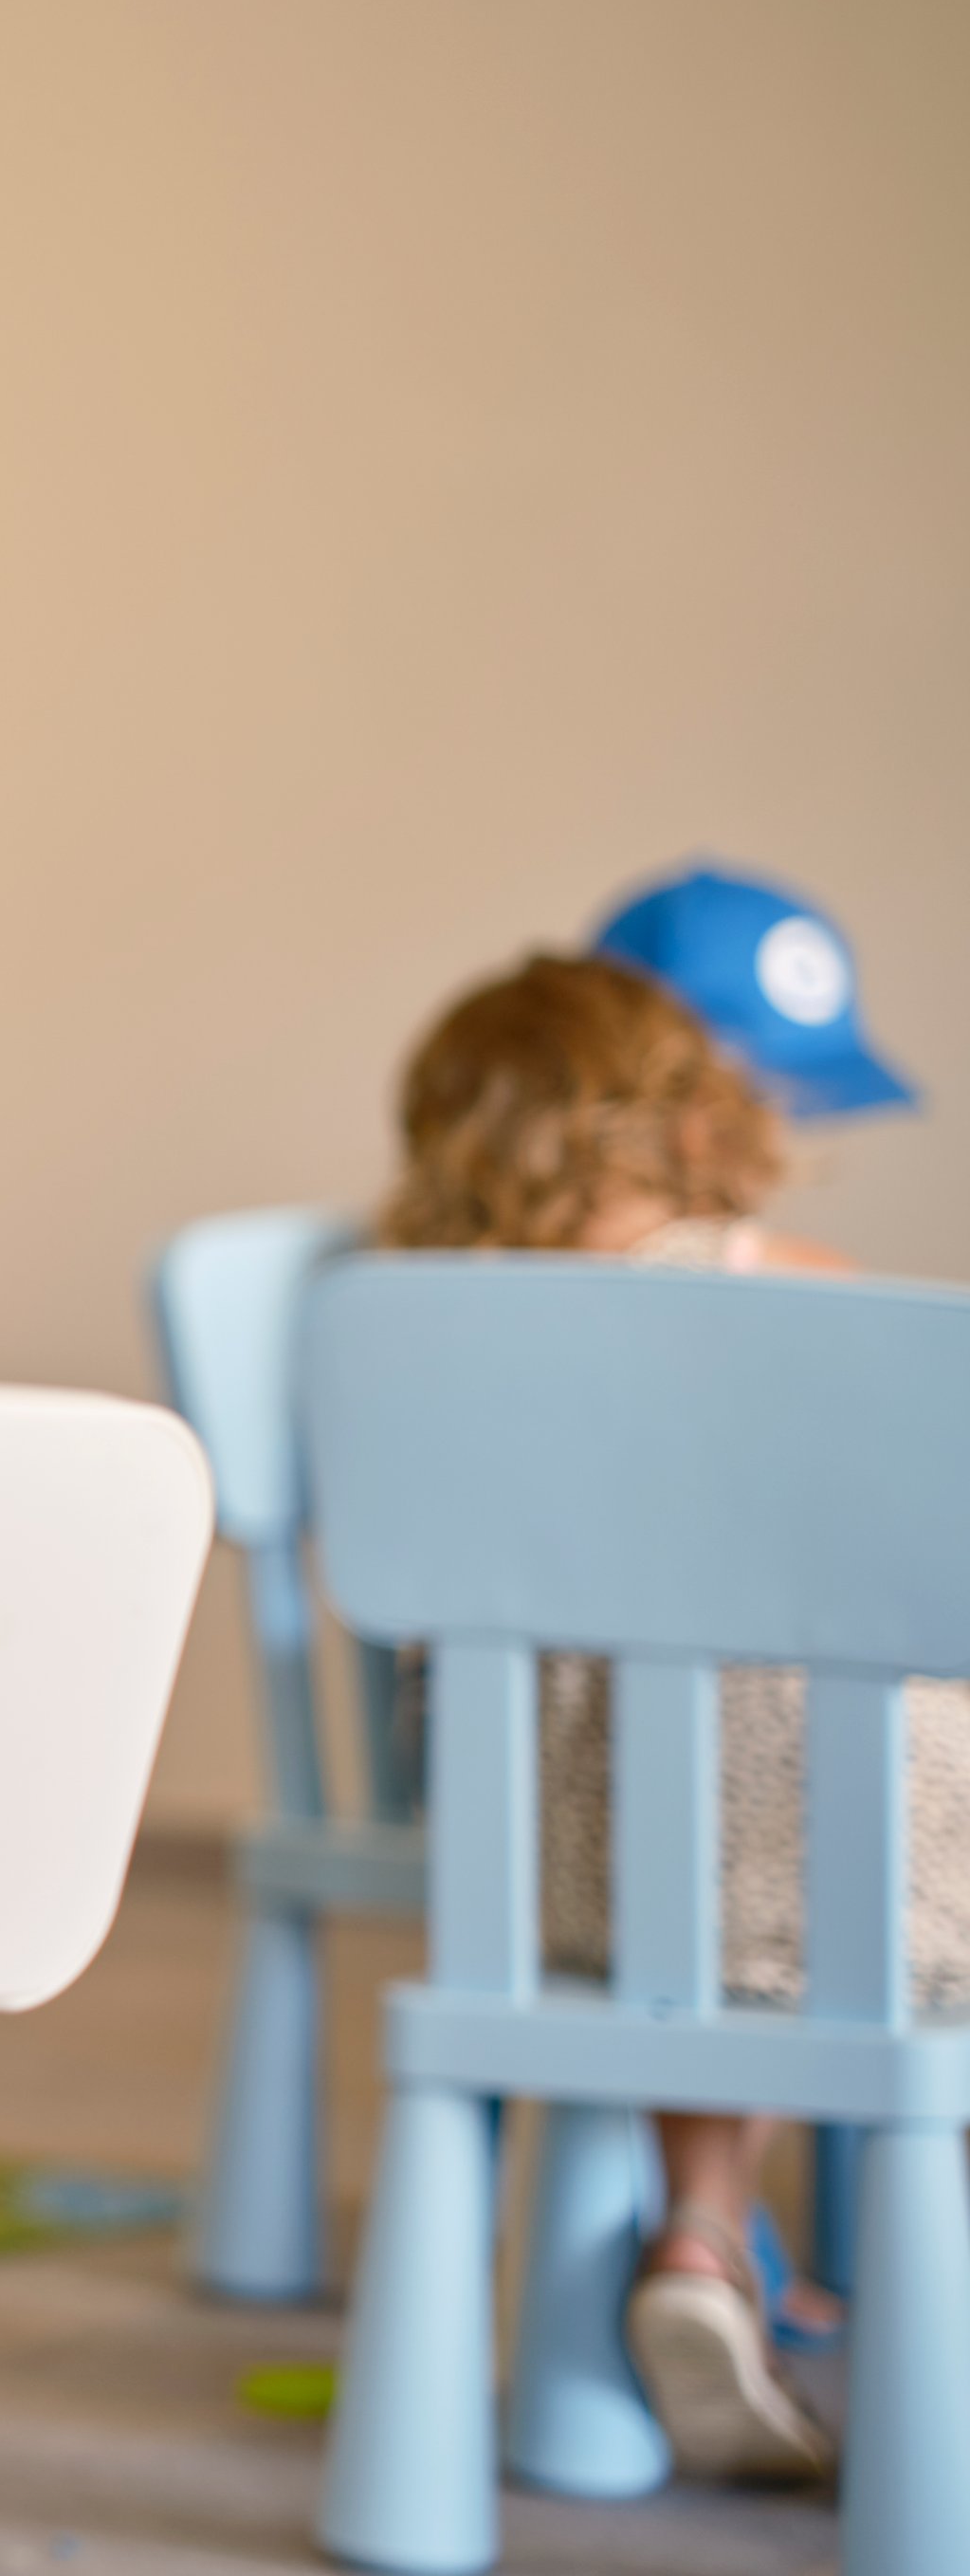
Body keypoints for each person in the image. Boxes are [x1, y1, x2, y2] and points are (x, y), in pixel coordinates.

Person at [378, 886, 932, 2485]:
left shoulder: (417, 1323)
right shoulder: (776, 1277)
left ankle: (705, 2227)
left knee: (703, 1880)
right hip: (800, 1862)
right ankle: (781, 2246)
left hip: (526, 1864)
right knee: (805, 1818)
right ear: (695, 1118)